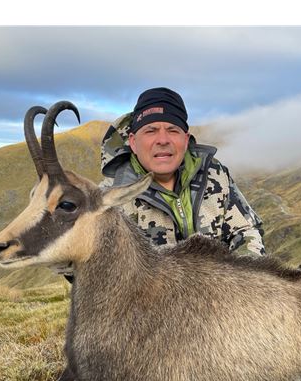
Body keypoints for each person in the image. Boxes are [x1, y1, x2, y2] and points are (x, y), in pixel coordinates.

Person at [99, 87, 266, 256]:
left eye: (172, 130)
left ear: (185, 140)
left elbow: (247, 230)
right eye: (151, 131)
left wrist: (243, 271)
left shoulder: (215, 174)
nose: (163, 140)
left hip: (222, 274)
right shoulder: (106, 199)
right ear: (133, 142)